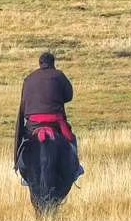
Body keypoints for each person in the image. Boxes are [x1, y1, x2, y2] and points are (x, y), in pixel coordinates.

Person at [13, 51, 83, 179]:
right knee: (71, 139)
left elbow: (24, 100)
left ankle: (21, 169)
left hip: (34, 122)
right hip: (55, 120)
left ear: (40, 64)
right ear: (53, 63)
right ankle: (76, 169)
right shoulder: (59, 75)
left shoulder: (29, 78)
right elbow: (69, 96)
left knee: (24, 143)